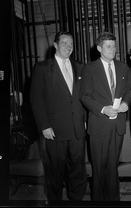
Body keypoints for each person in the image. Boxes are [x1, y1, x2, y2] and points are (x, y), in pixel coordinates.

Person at [30, 31, 87, 203]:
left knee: (78, 171)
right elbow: (36, 99)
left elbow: (83, 97)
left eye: (71, 44)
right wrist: (44, 125)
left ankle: (76, 200)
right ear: (55, 45)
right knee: (54, 172)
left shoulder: (80, 67)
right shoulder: (42, 67)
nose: (68, 47)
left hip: (77, 130)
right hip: (53, 131)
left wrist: (84, 120)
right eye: (64, 43)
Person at [80, 32, 131, 201]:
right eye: (109, 46)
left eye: (114, 46)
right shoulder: (89, 68)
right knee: (99, 168)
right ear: (99, 48)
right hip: (99, 125)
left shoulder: (123, 67)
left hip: (117, 125)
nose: (113, 49)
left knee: (112, 167)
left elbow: (129, 90)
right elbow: (84, 96)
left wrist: (126, 103)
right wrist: (102, 109)